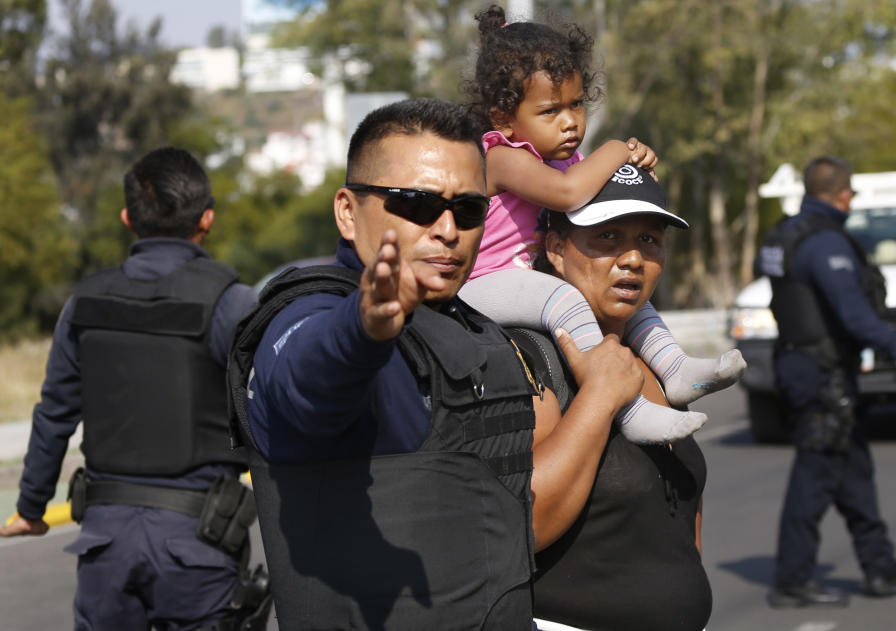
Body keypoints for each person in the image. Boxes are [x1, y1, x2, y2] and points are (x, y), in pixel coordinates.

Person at [226, 98, 646, 630]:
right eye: (418, 204)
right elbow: (310, 382)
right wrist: (364, 329)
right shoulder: (312, 315)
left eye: (469, 210)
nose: (448, 228)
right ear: (348, 212)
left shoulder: (472, 324)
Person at [0, 147, 271, 629]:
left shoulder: (83, 302)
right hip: (199, 540)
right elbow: (273, 403)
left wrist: (30, 508)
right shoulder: (231, 301)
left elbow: (55, 410)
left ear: (128, 218)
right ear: (206, 219)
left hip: (105, 542)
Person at [459, 4, 746, 444]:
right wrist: (617, 147)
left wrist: (640, 165)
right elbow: (570, 194)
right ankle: (626, 408)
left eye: (576, 104)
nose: (571, 121)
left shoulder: (568, 160)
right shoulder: (499, 158)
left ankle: (675, 369)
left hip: (531, 283)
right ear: (503, 118)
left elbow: (619, 199)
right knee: (566, 297)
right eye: (550, 110)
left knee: (630, 295)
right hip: (484, 285)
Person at [509, 167, 712, 631]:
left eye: (648, 239)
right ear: (556, 249)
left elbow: (680, 514)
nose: (633, 259)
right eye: (607, 236)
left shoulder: (659, 363)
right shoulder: (527, 355)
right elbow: (525, 523)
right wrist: (600, 397)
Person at [756, 155, 896, 607]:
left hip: (804, 364)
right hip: (821, 374)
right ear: (843, 195)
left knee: (854, 470)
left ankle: (881, 566)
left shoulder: (785, 234)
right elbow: (852, 312)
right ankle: (792, 580)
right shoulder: (823, 243)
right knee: (815, 474)